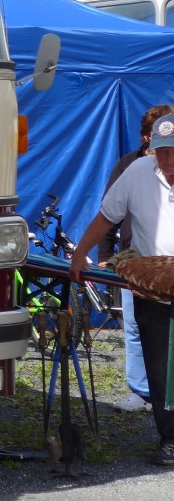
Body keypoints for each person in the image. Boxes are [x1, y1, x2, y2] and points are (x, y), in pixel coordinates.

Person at [71, 111, 174, 465]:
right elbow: (105, 217)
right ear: (151, 148)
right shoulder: (137, 172)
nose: (168, 161)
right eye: (162, 152)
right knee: (159, 368)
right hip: (153, 287)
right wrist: (80, 254)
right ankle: (170, 439)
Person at [98, 103, 174, 410]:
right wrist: (104, 256)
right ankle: (140, 390)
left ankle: (162, 398)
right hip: (135, 260)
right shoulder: (130, 165)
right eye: (153, 138)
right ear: (146, 138)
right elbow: (107, 214)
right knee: (133, 325)